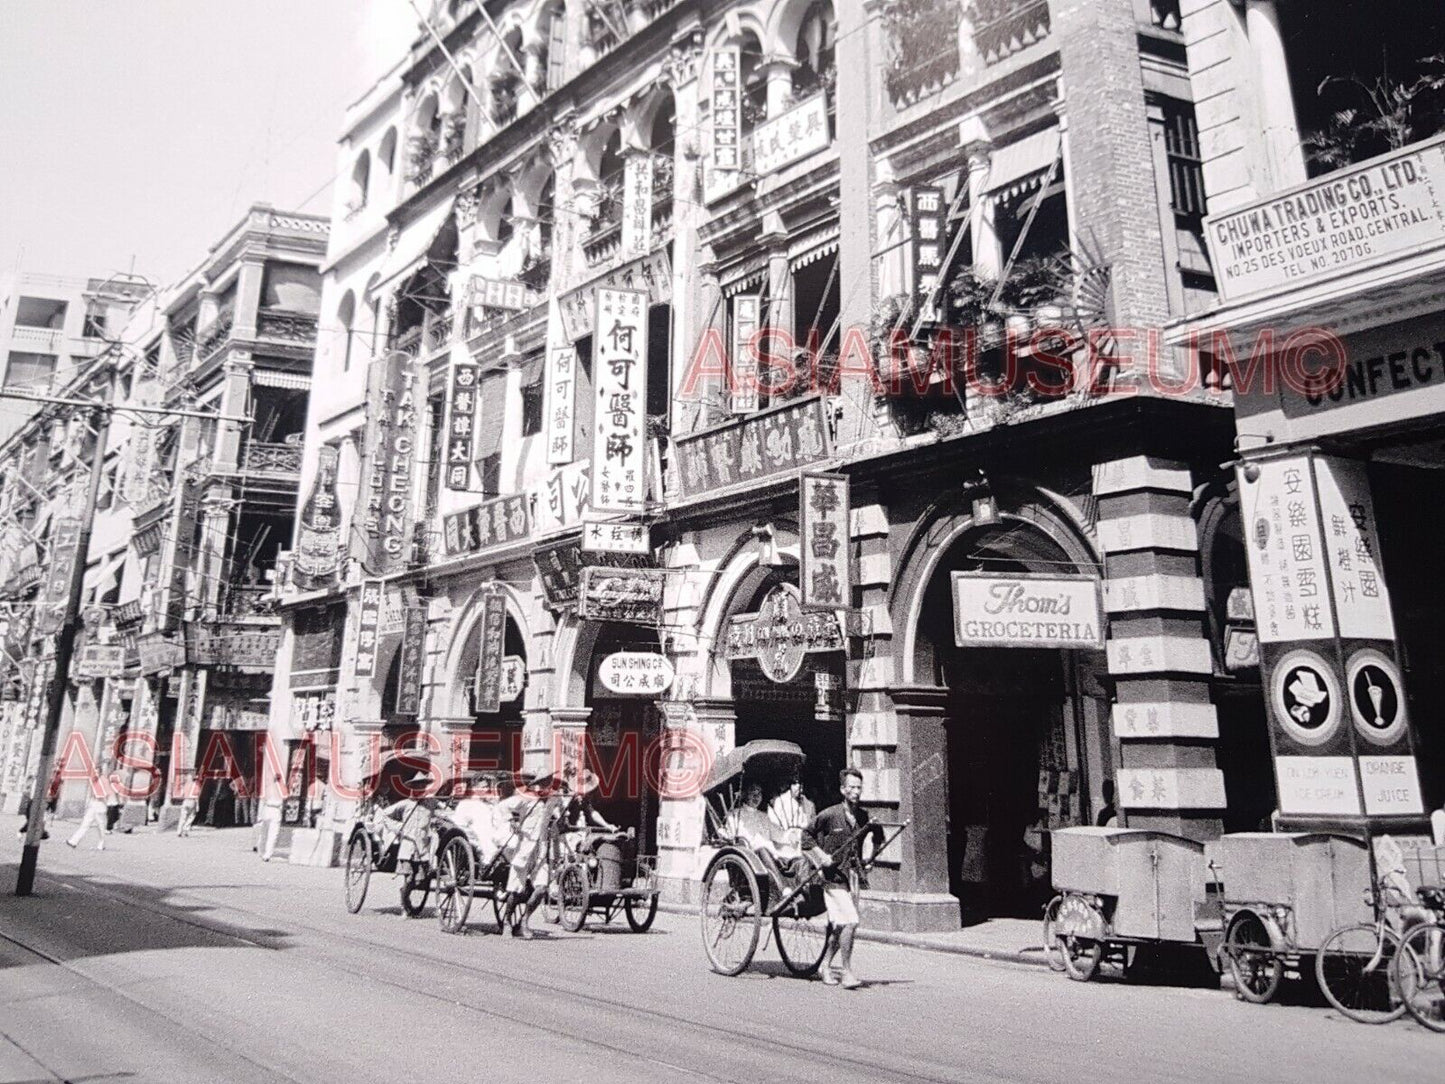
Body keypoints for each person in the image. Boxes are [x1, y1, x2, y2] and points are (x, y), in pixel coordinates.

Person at [804, 768, 883, 990]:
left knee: (842, 927)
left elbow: (878, 837)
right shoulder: (829, 815)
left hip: (853, 876)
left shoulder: (863, 817)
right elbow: (806, 836)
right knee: (851, 921)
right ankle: (847, 972)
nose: (856, 791)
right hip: (832, 878)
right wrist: (821, 857)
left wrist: (870, 858)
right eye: (851, 787)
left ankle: (826, 966)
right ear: (842, 789)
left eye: (859, 787)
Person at [67, 775, 117, 851]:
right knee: (85, 824)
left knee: (101, 827)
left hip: (100, 806)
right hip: (93, 805)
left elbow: (106, 794)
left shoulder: (103, 780)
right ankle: (74, 841)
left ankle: (101, 843)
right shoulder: (95, 781)